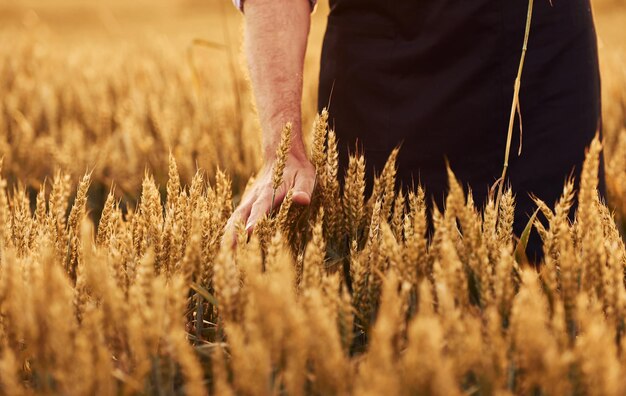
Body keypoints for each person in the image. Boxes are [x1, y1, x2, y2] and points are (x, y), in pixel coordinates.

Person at [224, 0, 606, 262]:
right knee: (387, 307)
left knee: (557, 288)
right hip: (389, 76)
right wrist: (283, 150)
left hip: (544, 73)